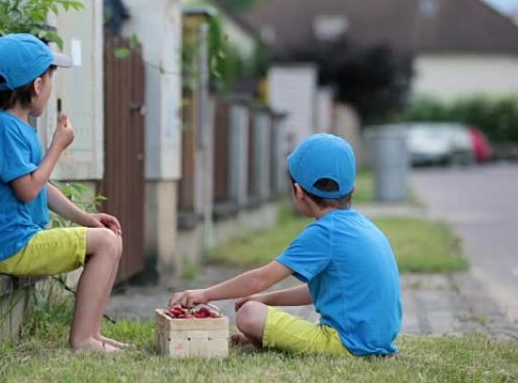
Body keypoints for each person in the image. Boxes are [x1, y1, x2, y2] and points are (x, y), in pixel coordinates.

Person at [169, 134, 402, 356]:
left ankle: (267, 336)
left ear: (298, 191)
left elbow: (260, 279)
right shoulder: (361, 226)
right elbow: (321, 291)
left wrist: (205, 293)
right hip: (375, 342)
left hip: (346, 345)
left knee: (249, 315)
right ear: (352, 190)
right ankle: (267, 337)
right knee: (256, 308)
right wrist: (266, 299)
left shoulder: (324, 232)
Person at [0, 34, 126, 353]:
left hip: (22, 240)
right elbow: (29, 190)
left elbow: (40, 185)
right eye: (50, 79)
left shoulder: (16, 127)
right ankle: (83, 339)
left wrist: (87, 219)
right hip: (10, 246)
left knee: (109, 238)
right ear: (37, 86)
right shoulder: (1, 128)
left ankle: (93, 334)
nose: (50, 87)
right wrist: (57, 146)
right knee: (106, 244)